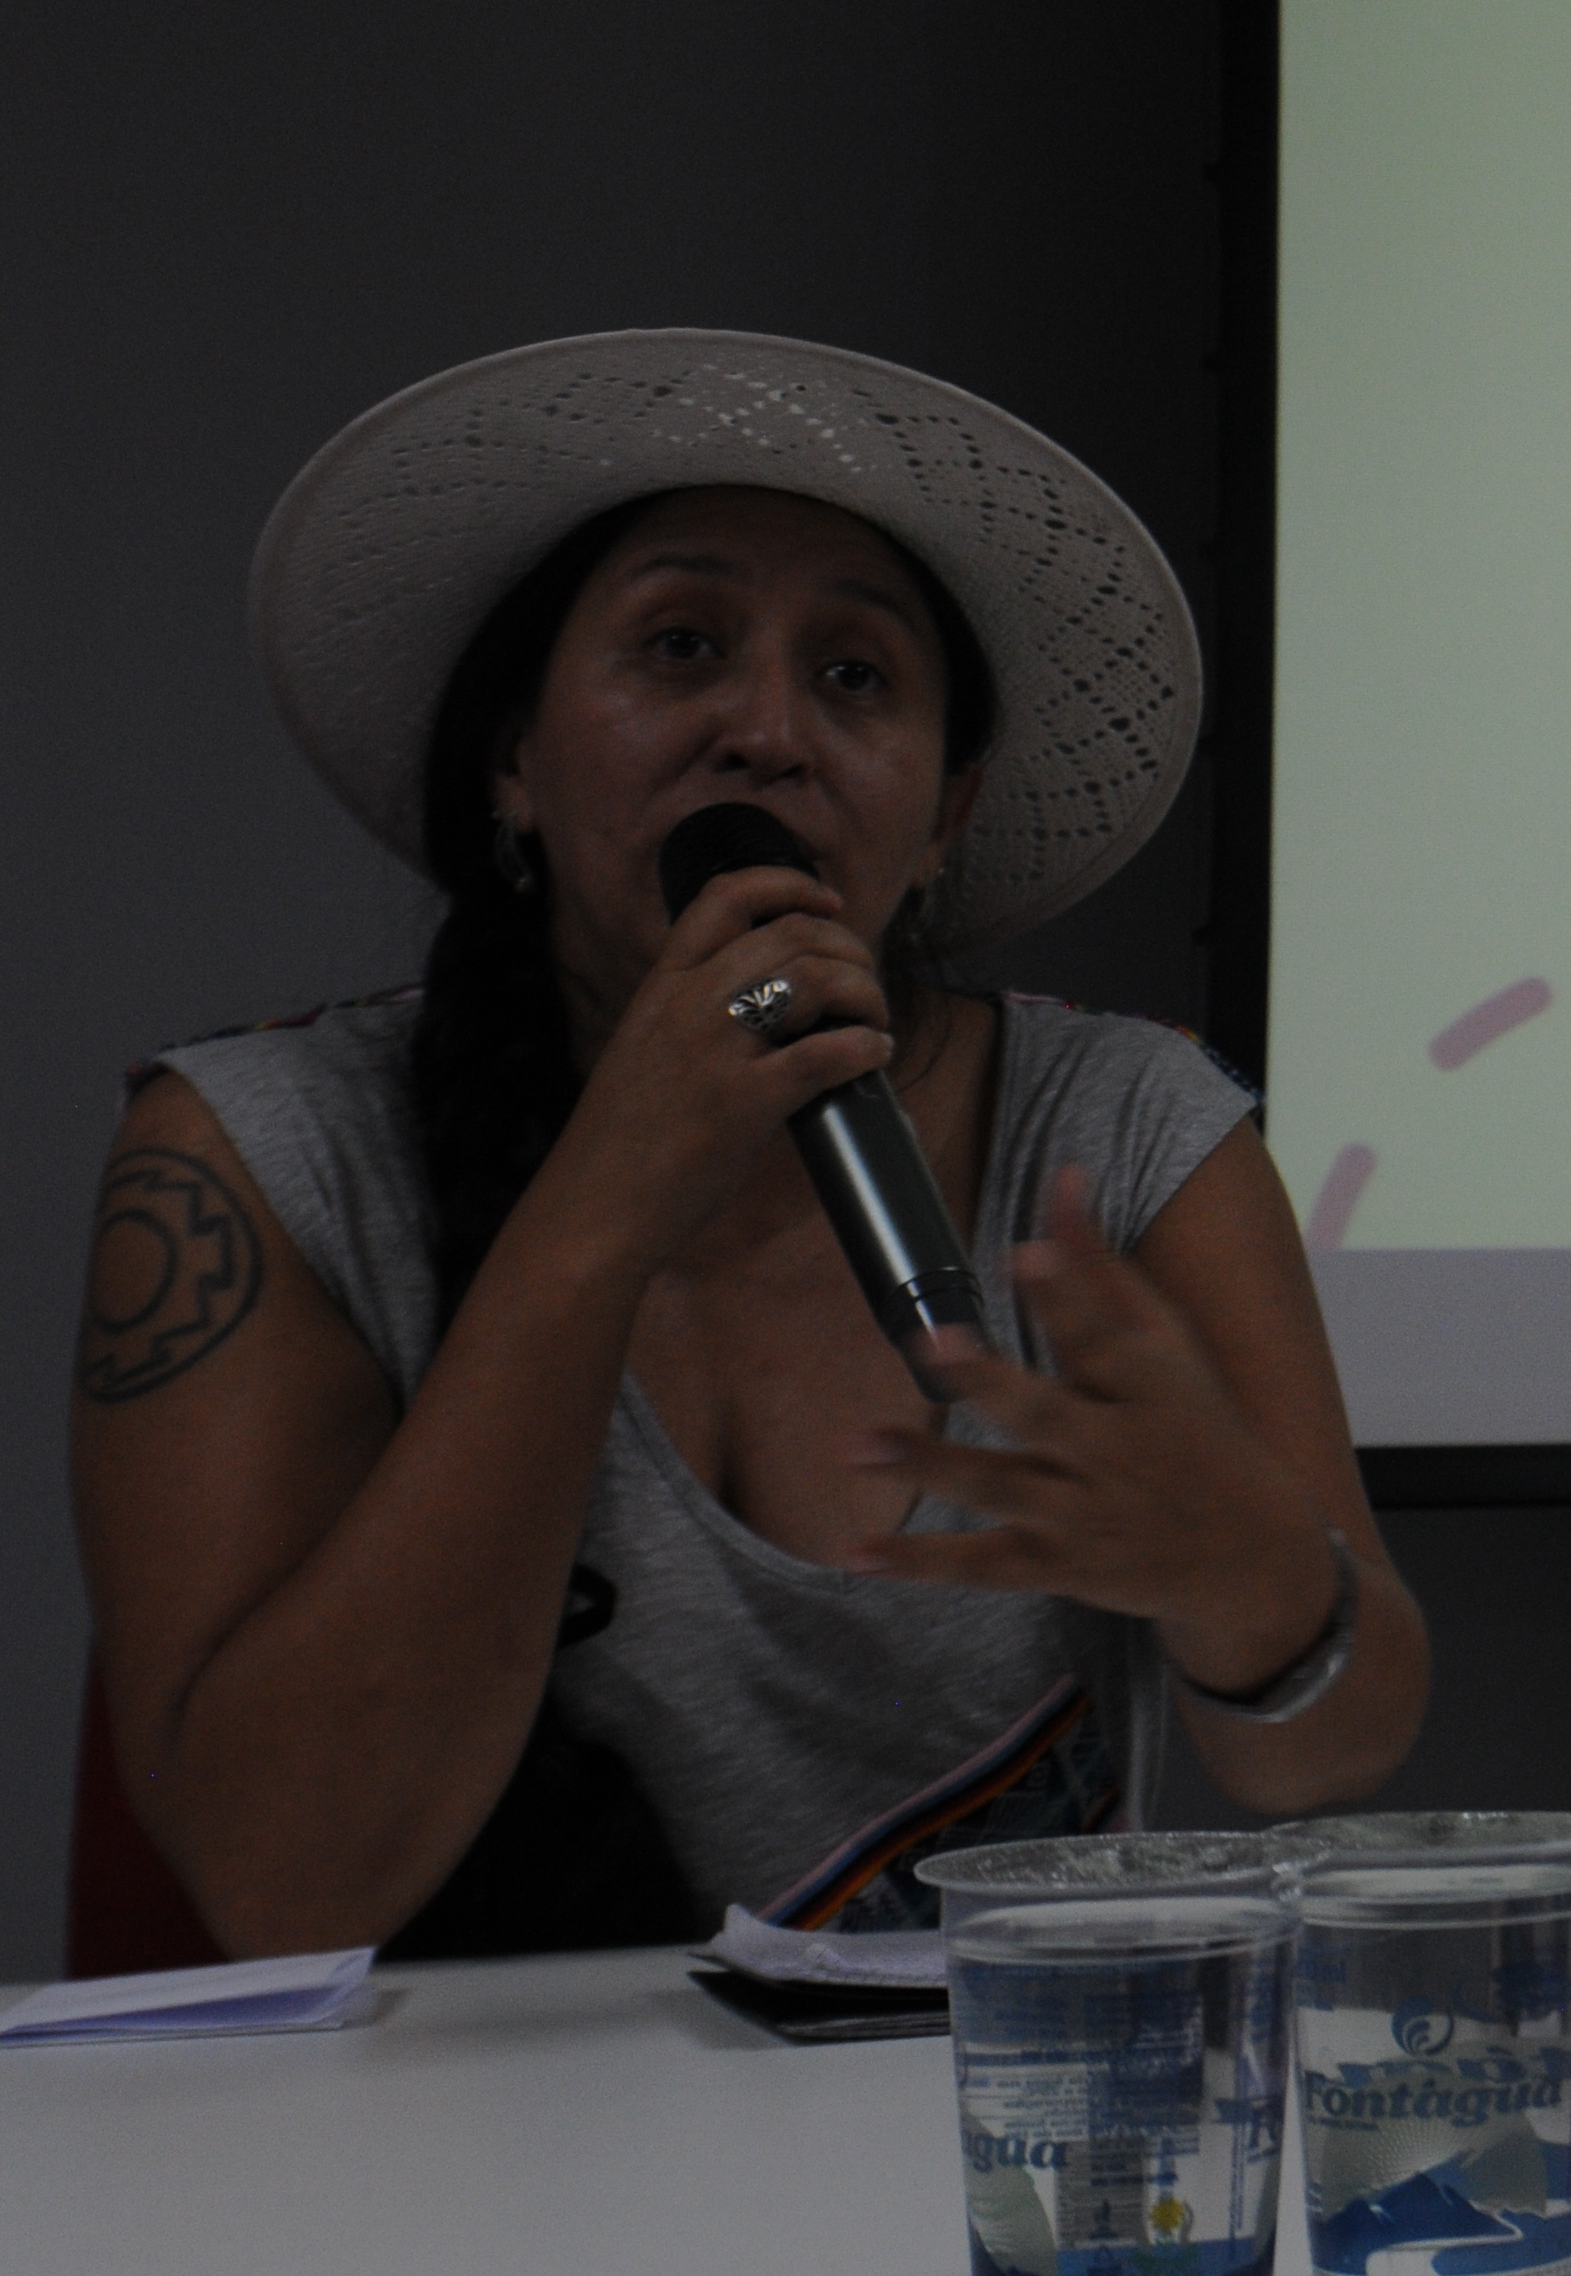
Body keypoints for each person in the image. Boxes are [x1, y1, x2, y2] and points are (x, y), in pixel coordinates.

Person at [72, 330, 1429, 1962]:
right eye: (681, 645)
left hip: (979, 2102)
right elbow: (284, 1881)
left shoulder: (1126, 1126)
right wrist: (604, 1200)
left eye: (855, 676)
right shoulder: (259, 1152)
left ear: (942, 817)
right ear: (513, 760)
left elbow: (1331, 1757)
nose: (767, 730)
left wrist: (1253, 1580)